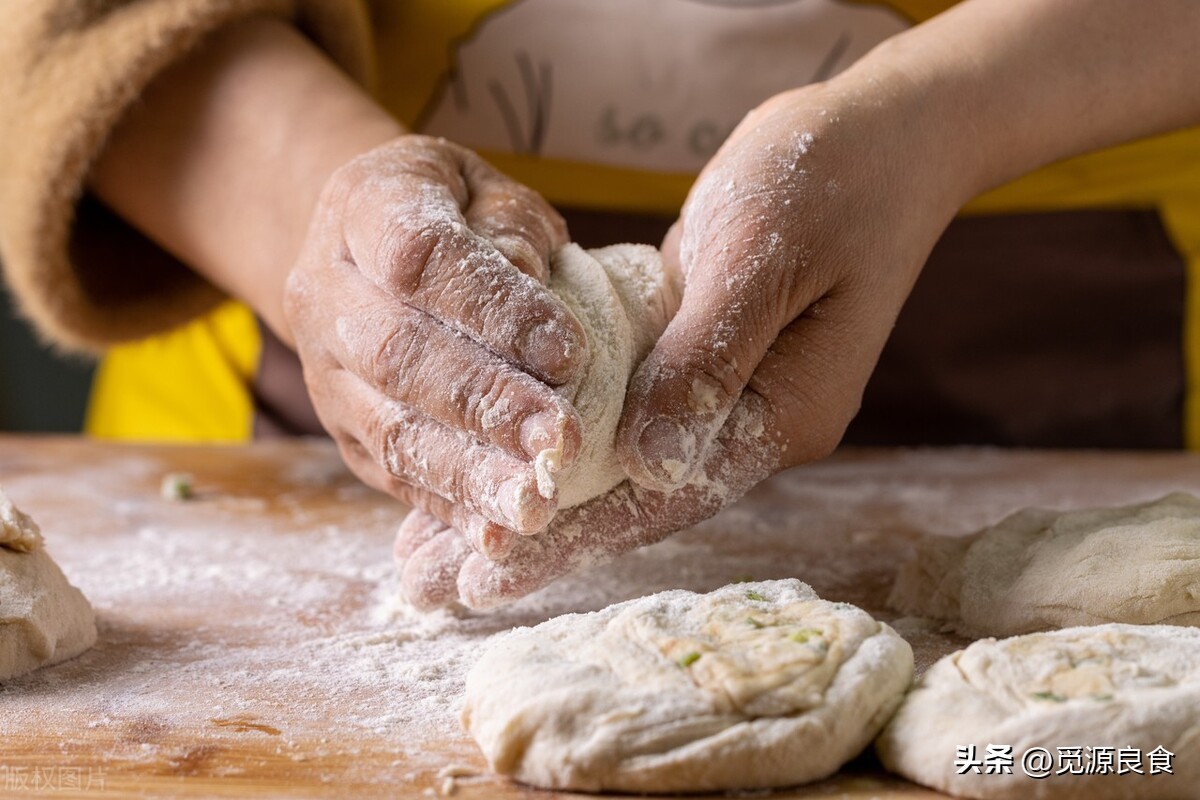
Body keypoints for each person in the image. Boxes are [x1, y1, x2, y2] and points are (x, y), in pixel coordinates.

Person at [2, 1, 1199, 610]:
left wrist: (956, 111)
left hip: (1082, 319)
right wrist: (332, 220)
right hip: (281, 440)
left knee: (1062, 742)